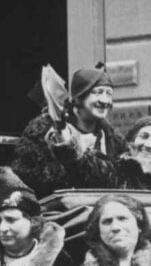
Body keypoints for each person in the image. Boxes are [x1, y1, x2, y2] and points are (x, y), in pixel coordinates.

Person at [12, 63, 127, 198]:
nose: (105, 100)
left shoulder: (114, 141)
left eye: (109, 94)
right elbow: (31, 181)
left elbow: (121, 183)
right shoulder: (43, 134)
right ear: (78, 97)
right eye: (97, 93)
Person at [61, 116, 151, 192]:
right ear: (131, 141)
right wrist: (65, 142)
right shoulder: (115, 171)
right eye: (143, 136)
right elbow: (84, 166)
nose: (148, 145)